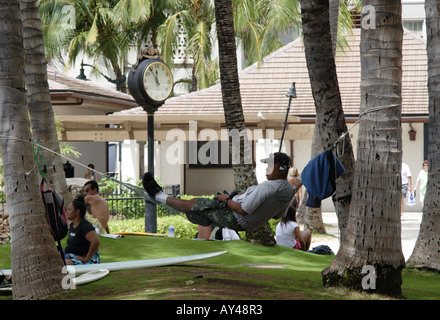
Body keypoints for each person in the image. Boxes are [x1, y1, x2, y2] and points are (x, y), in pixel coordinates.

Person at [142, 152, 296, 232]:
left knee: (195, 203)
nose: (267, 168)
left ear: (281, 168)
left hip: (236, 217)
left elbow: (242, 210)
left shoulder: (268, 187)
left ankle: (158, 195)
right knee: (207, 206)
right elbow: (277, 215)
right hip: (247, 223)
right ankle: (205, 216)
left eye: (271, 165)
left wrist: (224, 200)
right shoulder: (288, 190)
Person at [64, 197, 101, 265]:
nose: (67, 212)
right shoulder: (73, 225)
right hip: (72, 255)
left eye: (69, 210)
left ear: (77, 211)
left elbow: (96, 241)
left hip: (89, 260)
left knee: (63, 264)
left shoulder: (85, 226)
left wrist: (87, 258)